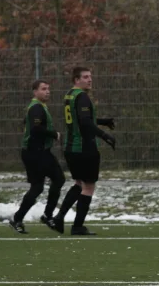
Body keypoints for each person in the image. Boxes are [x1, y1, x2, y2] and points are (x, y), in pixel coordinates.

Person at [51, 67, 116, 235]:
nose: (90, 80)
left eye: (90, 76)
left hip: (70, 147)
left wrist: (102, 121)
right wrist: (104, 135)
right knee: (89, 186)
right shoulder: (82, 97)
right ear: (76, 80)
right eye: (85, 77)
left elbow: (80, 119)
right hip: (84, 148)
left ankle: (59, 217)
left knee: (79, 183)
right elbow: (85, 123)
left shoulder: (69, 95)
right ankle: (78, 226)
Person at [9, 80, 65, 234]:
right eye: (43, 89)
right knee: (58, 179)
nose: (47, 91)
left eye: (48, 89)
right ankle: (46, 215)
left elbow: (29, 125)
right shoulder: (36, 107)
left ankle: (18, 218)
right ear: (35, 92)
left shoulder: (38, 107)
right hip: (36, 153)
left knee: (39, 186)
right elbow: (35, 128)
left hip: (36, 151)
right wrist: (54, 134)